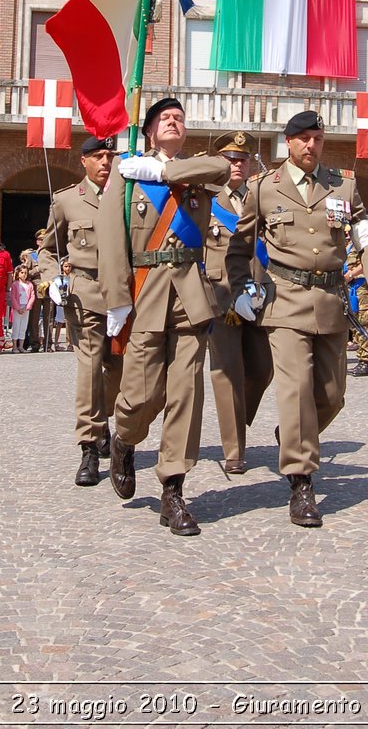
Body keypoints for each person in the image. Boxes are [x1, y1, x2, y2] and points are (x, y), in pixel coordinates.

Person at [227, 111, 368, 529]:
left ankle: (292, 435)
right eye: (302, 138)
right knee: (298, 389)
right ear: (288, 142)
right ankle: (301, 481)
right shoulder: (264, 189)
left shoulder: (344, 187)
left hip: (330, 301)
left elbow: (367, 243)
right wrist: (239, 289)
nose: (310, 145)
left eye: (317, 138)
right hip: (283, 301)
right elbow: (239, 247)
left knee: (331, 394)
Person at [99, 98, 229, 535]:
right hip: (145, 290)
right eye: (165, 119)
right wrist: (117, 299)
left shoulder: (198, 169)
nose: (174, 123)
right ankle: (124, 439)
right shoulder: (126, 173)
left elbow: (222, 167)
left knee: (186, 395)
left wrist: (164, 172)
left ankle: (173, 488)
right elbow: (111, 239)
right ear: (150, 131)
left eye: (180, 119)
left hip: (191, 294)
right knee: (140, 394)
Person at [39, 136, 120, 486]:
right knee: (89, 367)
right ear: (83, 161)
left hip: (123, 295)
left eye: (110, 156)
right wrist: (52, 278)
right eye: (98, 157)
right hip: (84, 293)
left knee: (119, 370)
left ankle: (102, 422)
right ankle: (89, 446)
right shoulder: (67, 200)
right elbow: (46, 249)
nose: (105, 163)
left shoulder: (128, 195)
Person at [204, 129, 273, 475]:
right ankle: (234, 449)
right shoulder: (207, 200)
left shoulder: (263, 197)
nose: (237, 164)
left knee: (263, 369)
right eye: (231, 159)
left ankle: (236, 417)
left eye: (242, 159)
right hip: (223, 299)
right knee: (228, 372)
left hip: (260, 296)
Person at [9, 263, 35, 353]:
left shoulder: (30, 284)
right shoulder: (15, 284)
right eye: (22, 273)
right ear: (18, 274)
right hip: (17, 308)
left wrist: (27, 307)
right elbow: (12, 297)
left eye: (25, 273)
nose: (23, 275)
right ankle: (14, 346)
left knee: (23, 327)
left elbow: (32, 296)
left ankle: (21, 346)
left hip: (25, 308)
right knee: (16, 326)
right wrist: (17, 307)